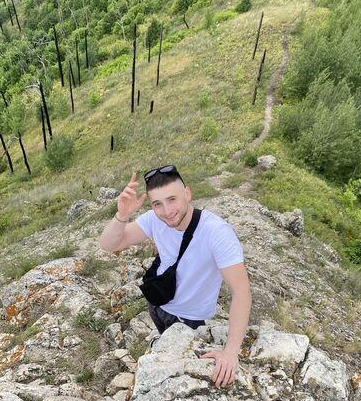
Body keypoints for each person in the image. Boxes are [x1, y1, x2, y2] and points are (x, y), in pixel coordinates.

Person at [99, 166, 252, 387]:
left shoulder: (216, 232)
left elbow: (241, 291)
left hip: (190, 319)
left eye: (172, 199)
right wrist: (122, 215)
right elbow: (108, 244)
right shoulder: (154, 219)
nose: (167, 211)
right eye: (157, 204)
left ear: (187, 194)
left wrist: (230, 352)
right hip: (158, 304)